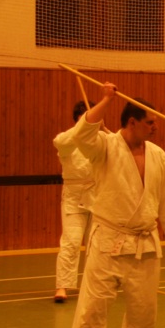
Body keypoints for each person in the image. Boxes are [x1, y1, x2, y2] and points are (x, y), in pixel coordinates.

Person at [67, 83, 165, 328]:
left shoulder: (158, 155)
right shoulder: (105, 147)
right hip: (108, 240)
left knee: (144, 312)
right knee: (92, 310)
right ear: (132, 122)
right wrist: (106, 99)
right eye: (150, 122)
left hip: (145, 242)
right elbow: (81, 134)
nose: (156, 127)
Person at [52, 100, 99, 302]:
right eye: (83, 121)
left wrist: (98, 127)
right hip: (74, 196)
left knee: (96, 244)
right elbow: (60, 142)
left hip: (97, 195)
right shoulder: (66, 141)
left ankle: (93, 284)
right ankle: (62, 286)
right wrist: (83, 126)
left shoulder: (102, 139)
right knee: (71, 241)